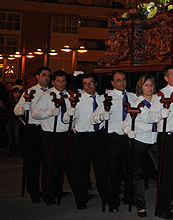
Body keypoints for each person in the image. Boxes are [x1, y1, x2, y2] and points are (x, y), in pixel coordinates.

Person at [92, 70, 133, 213]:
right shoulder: (107, 97)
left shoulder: (133, 97)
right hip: (113, 138)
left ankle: (129, 197)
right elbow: (94, 118)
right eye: (118, 80)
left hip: (129, 138)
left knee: (130, 171)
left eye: (123, 79)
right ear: (112, 83)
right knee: (113, 172)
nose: (121, 82)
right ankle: (113, 201)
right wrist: (102, 116)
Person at [122, 74, 162, 218]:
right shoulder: (136, 102)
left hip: (155, 140)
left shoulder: (159, 99)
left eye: (151, 84)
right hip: (140, 140)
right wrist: (128, 131)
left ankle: (163, 202)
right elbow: (126, 123)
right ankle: (141, 205)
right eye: (146, 85)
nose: (150, 87)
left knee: (161, 171)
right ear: (140, 87)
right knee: (137, 174)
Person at [32, 70, 72, 205]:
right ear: (53, 82)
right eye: (58, 81)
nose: (61, 83)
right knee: (50, 165)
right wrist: (50, 112)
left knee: (61, 165)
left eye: (63, 80)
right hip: (51, 134)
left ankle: (57, 190)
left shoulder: (69, 95)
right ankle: (48, 194)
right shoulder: (46, 95)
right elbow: (35, 113)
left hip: (65, 134)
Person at [151, 64, 173, 219]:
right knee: (166, 173)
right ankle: (162, 208)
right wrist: (161, 113)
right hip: (168, 136)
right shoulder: (160, 95)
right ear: (166, 78)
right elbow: (151, 116)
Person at [68, 74, 106, 210]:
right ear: (82, 86)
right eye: (85, 84)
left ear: (95, 83)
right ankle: (81, 198)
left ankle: (105, 196)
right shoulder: (77, 99)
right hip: (82, 137)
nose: (89, 86)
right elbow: (68, 119)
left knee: (101, 169)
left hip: (99, 136)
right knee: (81, 170)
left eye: (91, 83)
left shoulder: (103, 99)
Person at [14, 67, 50, 203]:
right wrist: (24, 108)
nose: (46, 78)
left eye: (48, 76)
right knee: (33, 163)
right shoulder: (30, 92)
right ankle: (34, 191)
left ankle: (50, 189)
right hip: (33, 130)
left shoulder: (52, 92)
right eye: (44, 75)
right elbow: (16, 110)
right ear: (37, 76)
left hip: (48, 129)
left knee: (49, 161)